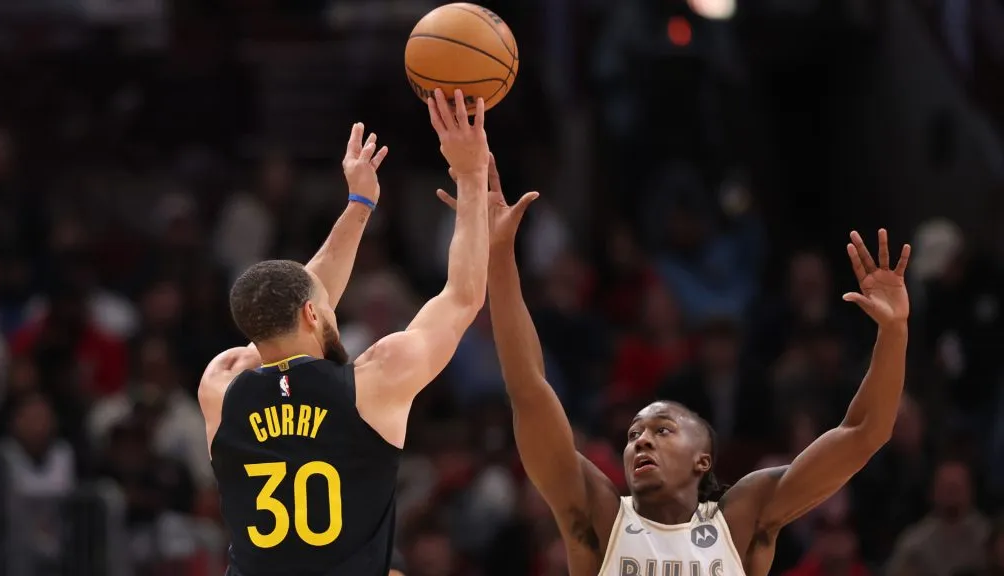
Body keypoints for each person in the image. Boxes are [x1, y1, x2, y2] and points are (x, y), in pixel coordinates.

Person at [437, 163, 911, 576]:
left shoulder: (743, 519)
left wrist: (894, 333)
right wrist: (499, 256)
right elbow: (529, 389)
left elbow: (866, 431)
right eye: (633, 434)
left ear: (703, 460)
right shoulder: (598, 515)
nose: (640, 439)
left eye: (662, 430)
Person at [199, 89, 491, 576]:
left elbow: (292, 299)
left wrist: (359, 205)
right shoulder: (373, 384)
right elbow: (462, 296)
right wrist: (471, 173)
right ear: (314, 314)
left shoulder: (221, 385)